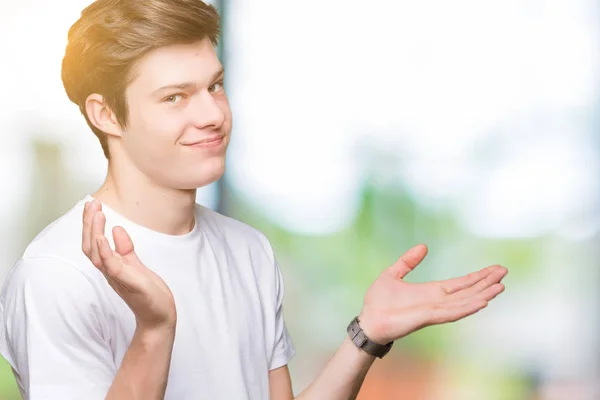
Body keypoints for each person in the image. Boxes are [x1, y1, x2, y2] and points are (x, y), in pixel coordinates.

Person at [0, 0, 508, 399]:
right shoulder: (57, 272)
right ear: (105, 114)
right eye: (175, 97)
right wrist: (155, 329)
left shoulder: (248, 250)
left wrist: (367, 334)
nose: (212, 115)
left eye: (215, 87)